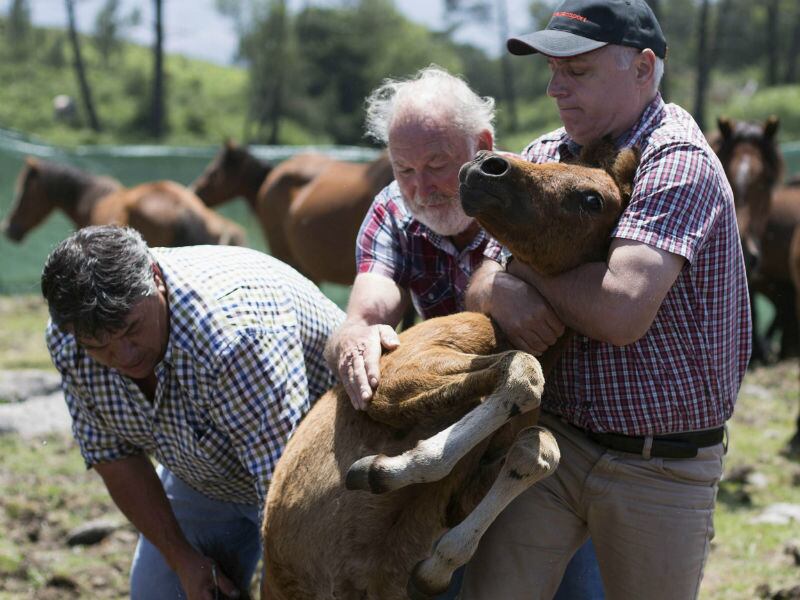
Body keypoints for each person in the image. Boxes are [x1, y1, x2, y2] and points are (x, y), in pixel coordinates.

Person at [459, 1, 751, 599]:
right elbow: (481, 280)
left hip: (659, 465)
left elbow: (620, 311)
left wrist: (523, 273)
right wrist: (499, 285)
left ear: (642, 68)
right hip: (550, 444)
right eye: (553, 70)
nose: (555, 88)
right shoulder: (546, 154)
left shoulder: (678, 161)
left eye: (577, 71)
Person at [325, 65, 604, 600]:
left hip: (554, 431)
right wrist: (357, 331)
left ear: (483, 146)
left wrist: (502, 283)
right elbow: (370, 303)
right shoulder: (392, 210)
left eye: (436, 165)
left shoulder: (533, 196)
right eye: (404, 169)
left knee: (577, 590)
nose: (421, 188)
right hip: (450, 434)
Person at [41, 225, 344, 600]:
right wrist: (184, 561)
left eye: (132, 330)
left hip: (319, 479)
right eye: (100, 348)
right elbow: (113, 455)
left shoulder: (233, 337)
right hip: (206, 474)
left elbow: (287, 494)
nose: (125, 356)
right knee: (158, 594)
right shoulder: (69, 340)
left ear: (156, 278)